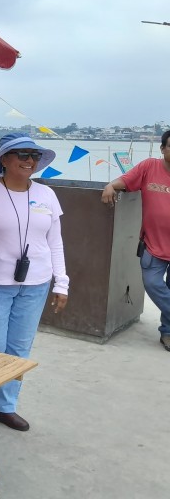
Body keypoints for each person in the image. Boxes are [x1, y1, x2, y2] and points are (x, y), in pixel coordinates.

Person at [0, 134, 69, 432]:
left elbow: (55, 243)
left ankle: (3, 406)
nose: (29, 160)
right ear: (4, 160)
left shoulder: (47, 195)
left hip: (35, 284)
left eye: (34, 155)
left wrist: (62, 283)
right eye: (21, 154)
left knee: (19, 349)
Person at [101, 130, 170, 351]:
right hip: (153, 244)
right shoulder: (150, 167)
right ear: (162, 149)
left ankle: (167, 333)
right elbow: (126, 180)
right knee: (152, 284)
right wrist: (110, 185)